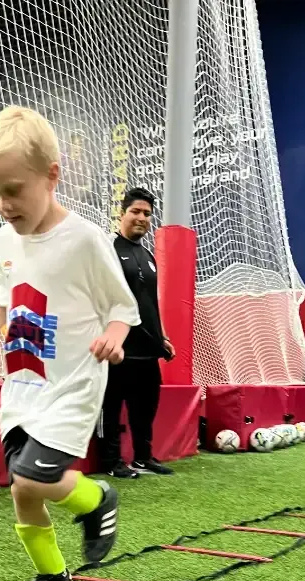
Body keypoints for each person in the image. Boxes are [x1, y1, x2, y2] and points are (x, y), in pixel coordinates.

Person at [0, 105, 140, 581]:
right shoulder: (4, 241)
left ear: (52, 176)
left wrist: (115, 335)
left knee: (32, 475)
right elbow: (5, 290)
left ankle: (97, 497)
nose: (3, 204)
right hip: (22, 384)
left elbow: (121, 305)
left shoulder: (85, 240)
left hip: (72, 382)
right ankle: (53, 576)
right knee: (22, 492)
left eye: (13, 190)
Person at [98, 187, 175, 479]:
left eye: (147, 214)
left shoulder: (147, 255)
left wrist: (163, 337)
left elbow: (151, 302)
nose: (142, 218)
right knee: (111, 406)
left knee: (146, 408)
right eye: (135, 212)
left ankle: (143, 458)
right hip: (120, 346)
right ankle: (111, 461)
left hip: (149, 347)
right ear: (122, 214)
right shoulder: (108, 250)